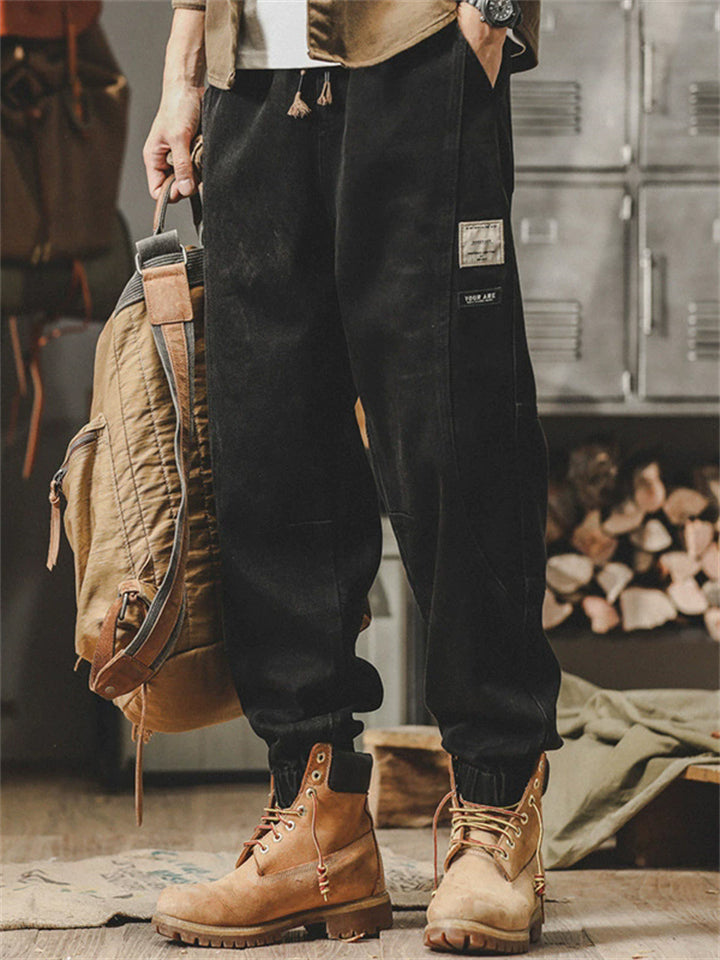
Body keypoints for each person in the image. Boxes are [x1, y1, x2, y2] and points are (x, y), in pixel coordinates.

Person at [144, 0, 563, 952]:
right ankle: (318, 827)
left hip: (418, 54)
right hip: (250, 81)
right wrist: (183, 71)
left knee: (455, 440)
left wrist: (491, 18)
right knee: (269, 449)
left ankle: (497, 808)